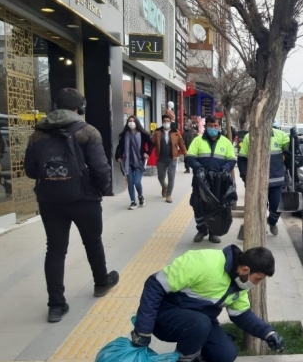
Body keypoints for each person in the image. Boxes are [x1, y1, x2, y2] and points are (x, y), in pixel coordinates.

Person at [24, 88, 119, 323]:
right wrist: (100, 190)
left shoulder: (37, 134)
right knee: (93, 241)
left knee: (55, 250)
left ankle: (56, 305)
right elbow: (101, 168)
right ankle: (100, 282)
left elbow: (30, 170)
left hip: (50, 201)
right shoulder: (88, 131)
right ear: (80, 108)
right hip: (85, 200)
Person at [130, 245, 285, 362]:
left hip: (200, 320)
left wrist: (268, 333)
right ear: (245, 270)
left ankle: (197, 350)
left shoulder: (240, 283)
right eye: (257, 279)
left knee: (226, 355)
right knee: (200, 323)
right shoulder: (203, 262)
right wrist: (143, 330)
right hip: (165, 315)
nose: (256, 284)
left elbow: (242, 315)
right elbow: (154, 285)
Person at [186, 115, 236, 243]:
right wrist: (198, 168)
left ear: (219, 127)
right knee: (197, 204)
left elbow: (231, 159)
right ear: (206, 126)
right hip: (200, 181)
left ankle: (213, 232)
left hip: (218, 182)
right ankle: (202, 229)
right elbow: (190, 157)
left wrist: (225, 168)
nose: (213, 128)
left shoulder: (226, 142)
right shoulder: (198, 141)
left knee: (216, 207)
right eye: (210, 126)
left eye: (215, 126)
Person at [237, 119, 289, 237]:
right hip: (256, 181)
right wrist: (245, 176)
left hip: (276, 180)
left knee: (277, 206)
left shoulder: (280, 135)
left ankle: (272, 222)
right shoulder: (249, 137)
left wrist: (296, 141)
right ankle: (260, 228)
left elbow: (290, 150)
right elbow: (242, 158)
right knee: (259, 207)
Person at [115, 117, 153, 210]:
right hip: (128, 162)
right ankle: (133, 201)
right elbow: (119, 147)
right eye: (129, 121)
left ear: (137, 123)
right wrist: (118, 157)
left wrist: (147, 153)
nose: (131, 123)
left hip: (139, 161)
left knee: (137, 182)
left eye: (133, 121)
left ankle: (140, 195)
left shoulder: (143, 134)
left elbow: (152, 144)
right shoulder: (124, 135)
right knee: (130, 183)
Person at [152, 114, 187, 203]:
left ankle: (169, 195)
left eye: (168, 121)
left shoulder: (176, 132)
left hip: (173, 158)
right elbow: (152, 143)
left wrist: (186, 154)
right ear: (162, 121)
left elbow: (181, 144)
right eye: (164, 121)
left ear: (170, 122)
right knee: (160, 177)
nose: (166, 123)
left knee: (171, 176)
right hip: (161, 158)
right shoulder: (157, 132)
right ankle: (164, 186)